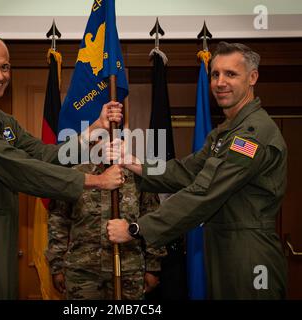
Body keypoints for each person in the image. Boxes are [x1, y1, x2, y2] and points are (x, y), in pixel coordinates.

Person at [0, 33, 124, 299]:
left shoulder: (2, 120)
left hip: (1, 230)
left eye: (5, 67)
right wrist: (95, 181)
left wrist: (94, 129)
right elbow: (19, 168)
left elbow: (43, 154)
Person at [107, 42, 288, 299]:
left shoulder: (252, 134)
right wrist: (134, 162)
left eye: (231, 74)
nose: (220, 82)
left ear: (252, 77)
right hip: (222, 246)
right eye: (215, 74)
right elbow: (185, 172)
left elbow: (205, 192)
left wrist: (137, 229)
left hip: (249, 253)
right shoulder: (226, 132)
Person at [46, 163, 166, 300]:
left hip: (129, 269)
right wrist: (56, 266)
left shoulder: (138, 175)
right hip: (83, 271)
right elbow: (58, 221)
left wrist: (153, 267)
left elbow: (152, 219)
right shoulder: (75, 175)